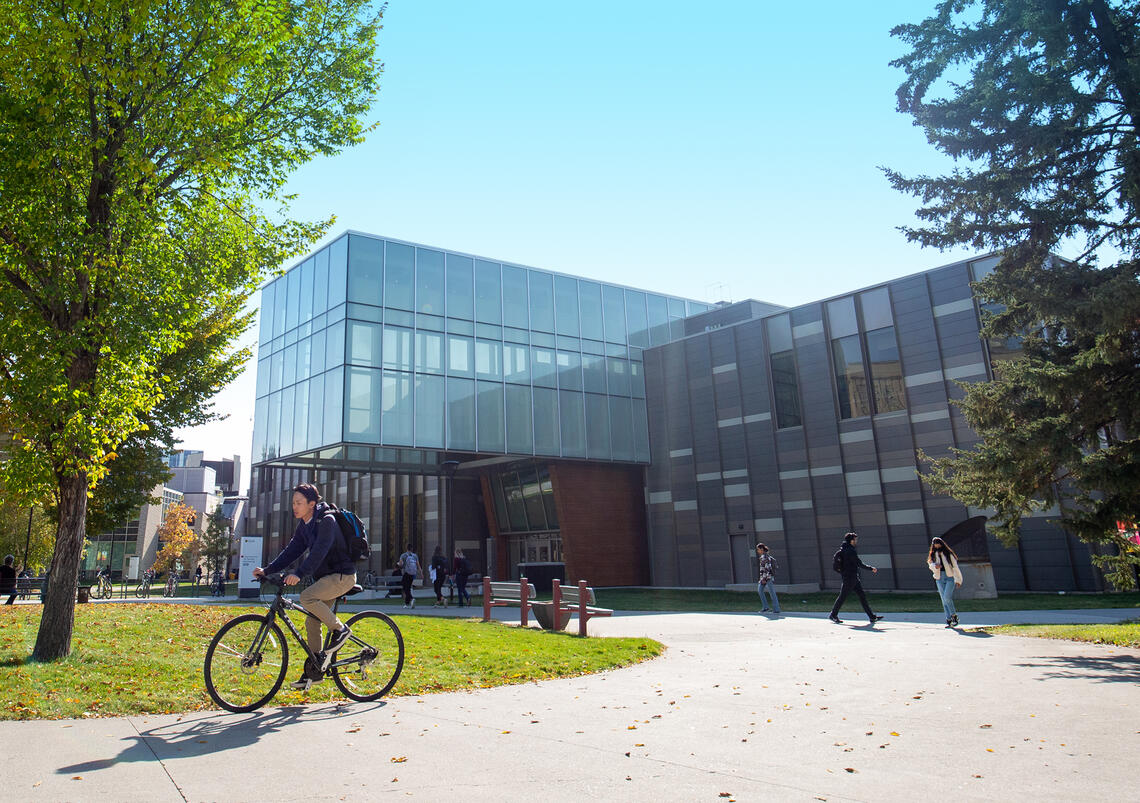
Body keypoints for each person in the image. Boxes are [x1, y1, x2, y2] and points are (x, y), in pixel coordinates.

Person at [253, 483, 357, 691]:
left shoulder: (327, 521)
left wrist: (299, 574)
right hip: (326, 579)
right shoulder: (305, 525)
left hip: (342, 576)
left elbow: (319, 551)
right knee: (312, 622)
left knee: (307, 597)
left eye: (299, 502)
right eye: (293, 502)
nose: (294, 506)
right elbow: (292, 551)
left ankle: (340, 630)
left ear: (312, 503)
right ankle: (315, 671)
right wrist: (268, 570)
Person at [828, 532, 883, 625]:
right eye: (855, 539)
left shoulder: (844, 549)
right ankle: (833, 615)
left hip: (852, 577)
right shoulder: (850, 551)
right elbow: (859, 563)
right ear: (851, 540)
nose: (856, 541)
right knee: (843, 596)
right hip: (849, 578)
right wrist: (871, 568)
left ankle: (872, 617)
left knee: (862, 596)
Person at [928, 537, 963, 627]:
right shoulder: (933, 554)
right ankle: (948, 619)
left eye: (938, 544)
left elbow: (955, 567)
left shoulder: (948, 553)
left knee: (947, 597)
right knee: (944, 600)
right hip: (939, 578)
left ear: (941, 544)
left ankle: (954, 616)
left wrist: (958, 579)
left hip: (949, 577)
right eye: (935, 545)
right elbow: (930, 565)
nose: (937, 546)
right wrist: (935, 566)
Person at [755, 543, 780, 615]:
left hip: (767, 577)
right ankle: (765, 607)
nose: (758, 551)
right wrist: (762, 578)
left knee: (772, 593)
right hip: (763, 577)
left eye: (758, 549)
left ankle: (776, 609)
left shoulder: (766, 557)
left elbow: (767, 569)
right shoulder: (763, 556)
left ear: (762, 549)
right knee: (760, 590)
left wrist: (764, 579)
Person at [396, 543, 422, 609]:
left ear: (406, 548)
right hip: (413, 574)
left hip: (406, 573)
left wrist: (398, 564)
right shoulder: (415, 556)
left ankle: (411, 598)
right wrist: (421, 573)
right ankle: (406, 604)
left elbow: (401, 564)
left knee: (405, 588)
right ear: (412, 548)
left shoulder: (403, 555)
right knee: (408, 588)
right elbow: (418, 565)